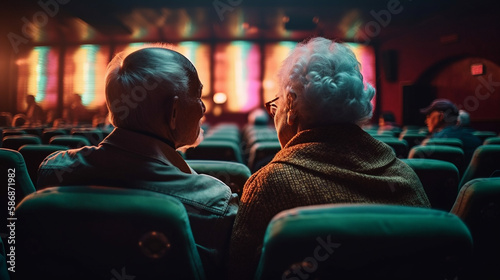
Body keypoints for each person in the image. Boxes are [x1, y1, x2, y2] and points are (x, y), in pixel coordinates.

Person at [229, 37, 430, 280]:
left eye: (276, 105)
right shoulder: (408, 178)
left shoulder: (268, 185)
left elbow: (238, 272)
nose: (275, 114)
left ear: (290, 106)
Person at [38, 46, 238, 279]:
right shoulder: (214, 202)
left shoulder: (53, 171)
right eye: (198, 96)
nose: (203, 108)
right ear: (173, 113)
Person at [421, 99, 481, 163]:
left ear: (441, 116)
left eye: (429, 116)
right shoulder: (475, 139)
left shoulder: (432, 142)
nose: (426, 121)